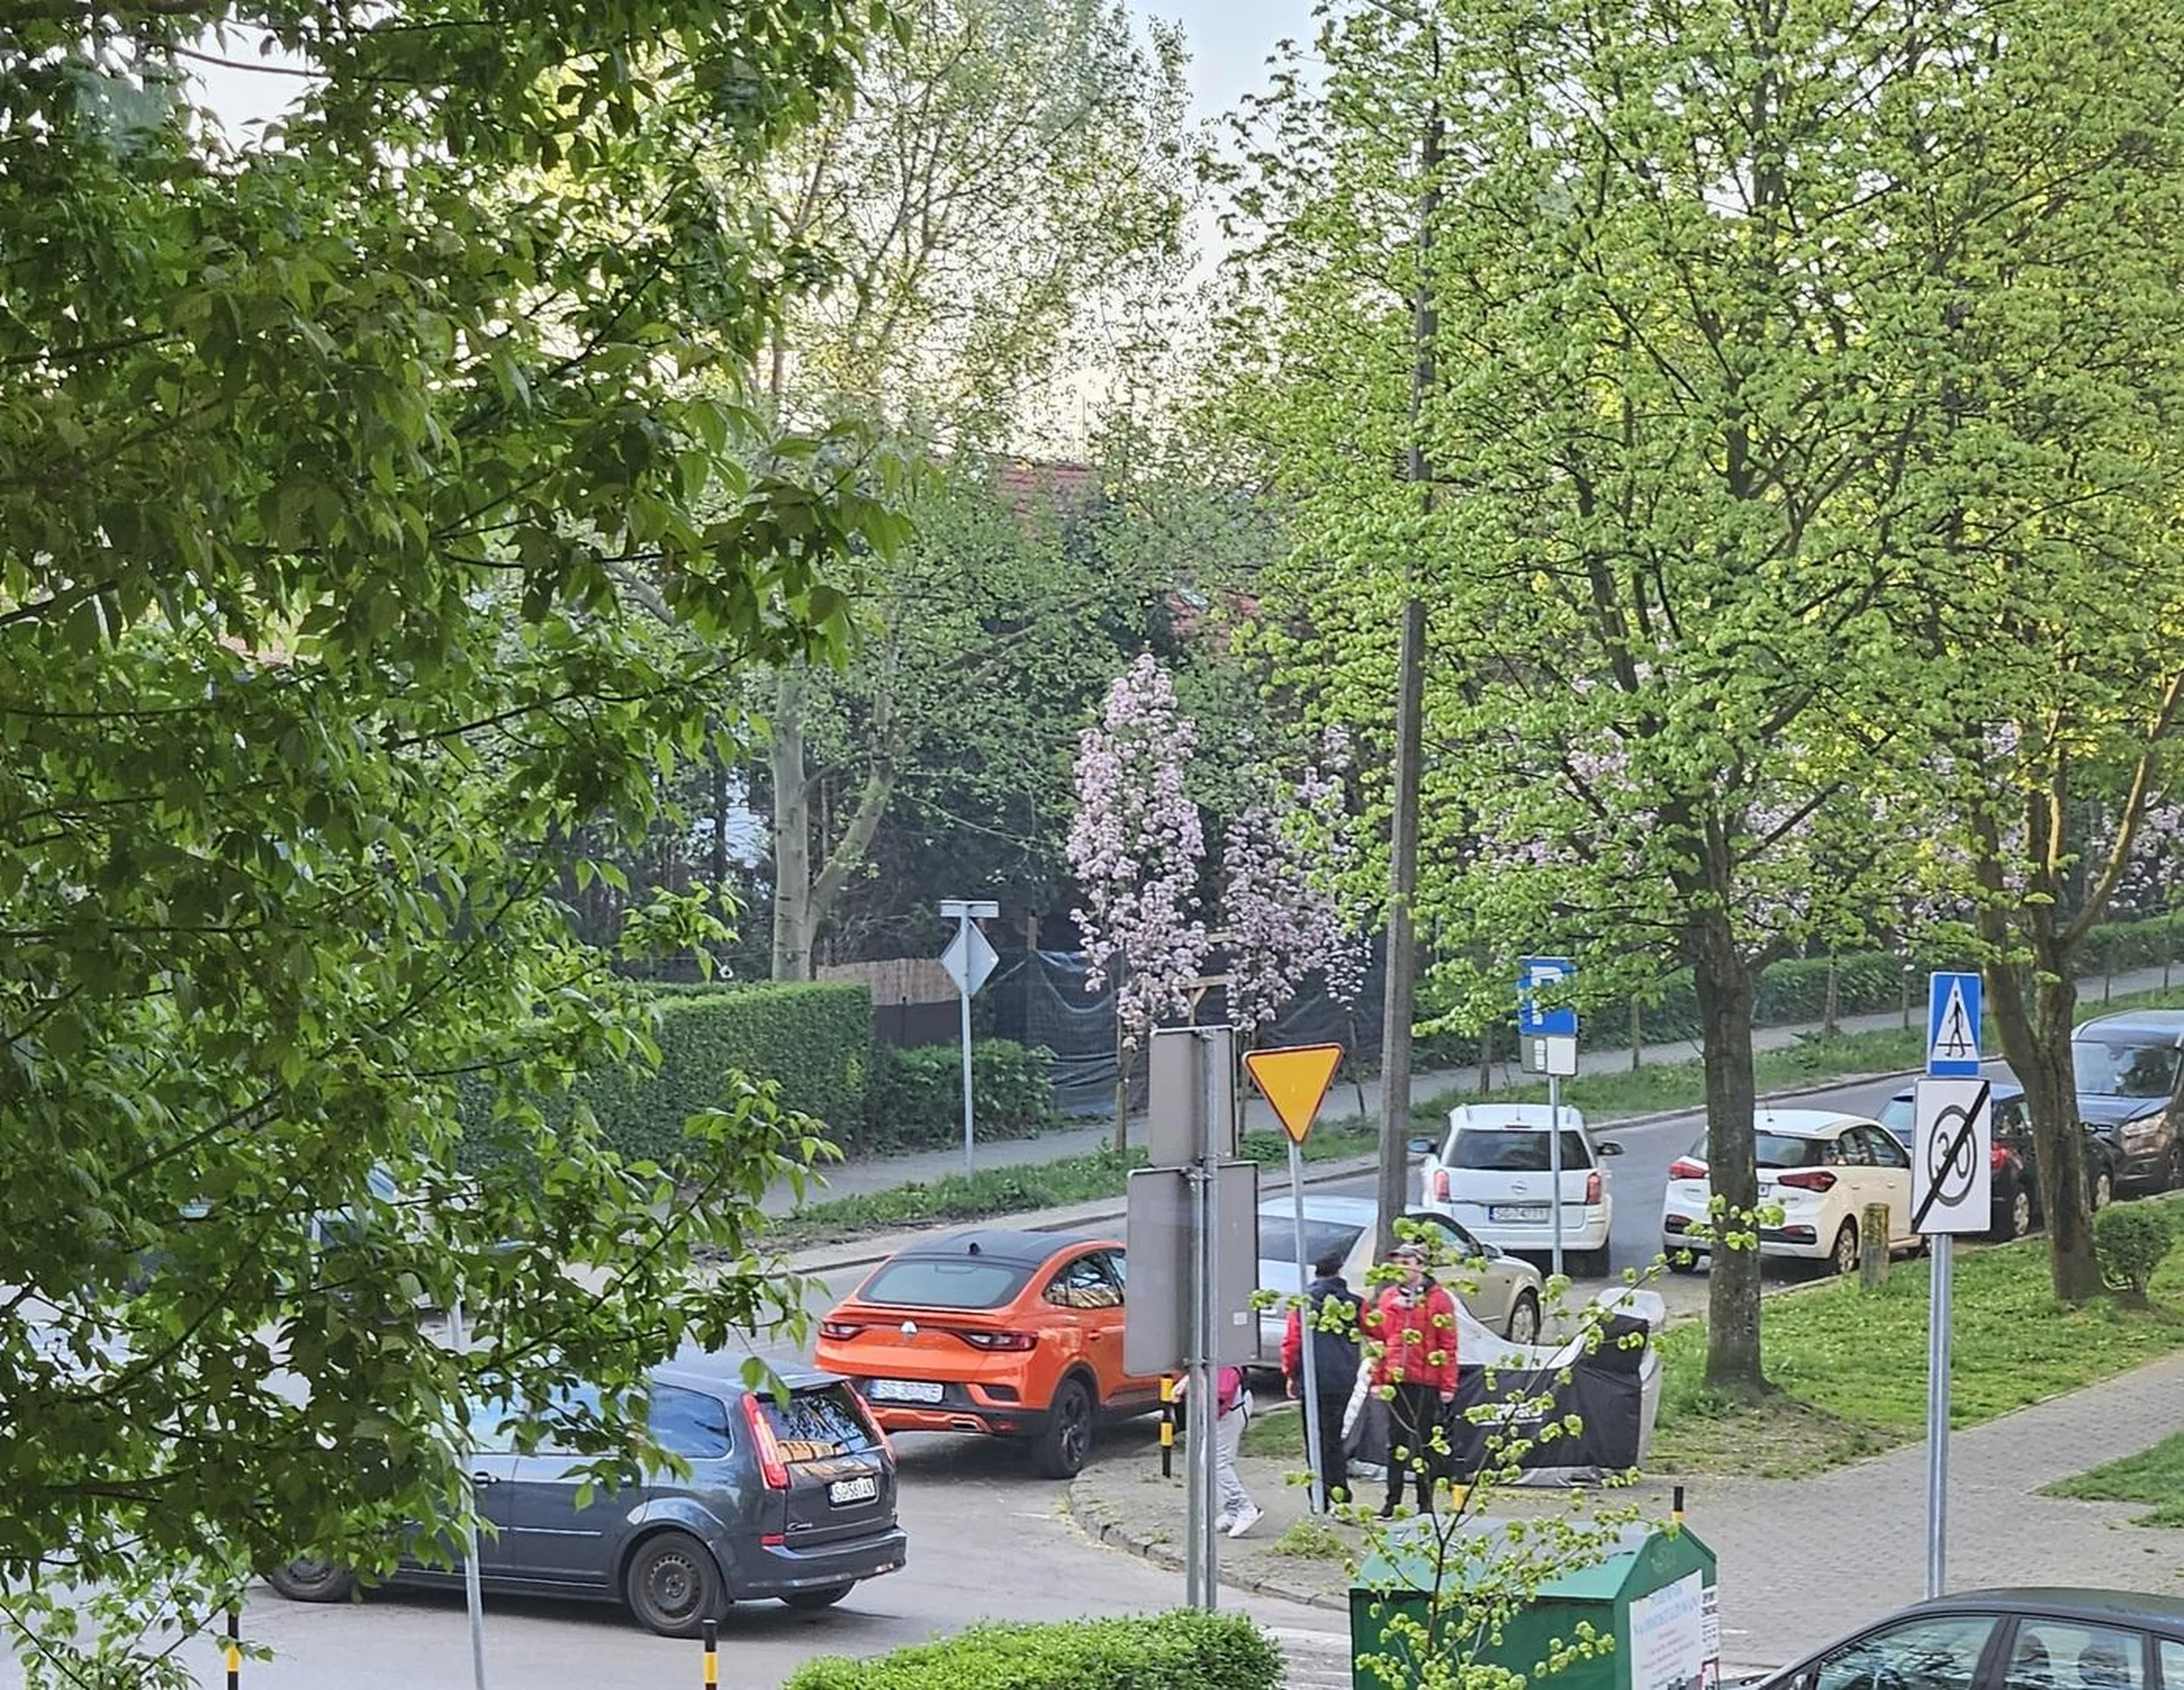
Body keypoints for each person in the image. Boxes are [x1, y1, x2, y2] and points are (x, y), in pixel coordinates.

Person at [1360, 1241, 1459, 1517]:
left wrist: (1448, 1384)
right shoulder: (1389, 1296)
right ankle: (1392, 1501)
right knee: (1395, 1442)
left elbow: (1448, 1343)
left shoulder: (1439, 1299)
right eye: (1398, 1263)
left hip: (1425, 1378)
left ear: (1421, 1265)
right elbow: (1380, 1340)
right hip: (1395, 1379)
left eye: (1407, 1262)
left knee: (1424, 1443)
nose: (1400, 1268)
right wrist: (1377, 1379)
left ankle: (1425, 1503)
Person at [1282, 1245, 1363, 1507]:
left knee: (1314, 1436)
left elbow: (1292, 1343)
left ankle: (1318, 1495)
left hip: (1313, 1377)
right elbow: (1377, 1330)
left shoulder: (1304, 1303)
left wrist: (1290, 1374)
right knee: (1334, 1434)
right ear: (1339, 1272)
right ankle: (1340, 1490)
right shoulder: (1355, 1303)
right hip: (1343, 1377)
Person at [1177, 1363, 1260, 1537]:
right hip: (1227, 1404)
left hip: (1228, 1407)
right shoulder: (1222, 1345)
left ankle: (1245, 1508)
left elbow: (1220, 1386)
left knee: (1216, 1461)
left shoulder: (1222, 1349)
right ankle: (1233, 1511)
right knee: (1210, 1460)